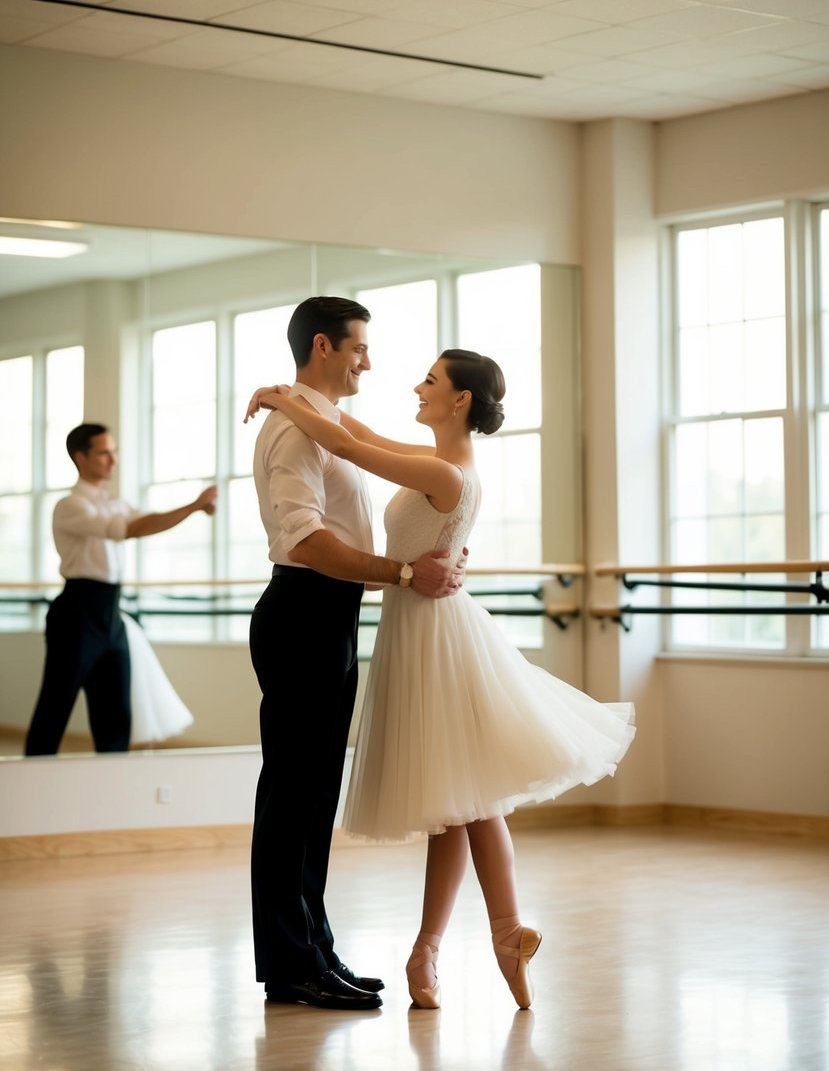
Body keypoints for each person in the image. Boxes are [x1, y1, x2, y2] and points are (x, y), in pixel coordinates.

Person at [246, 349, 636, 1012]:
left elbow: (344, 442)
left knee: (469, 797)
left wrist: (284, 401)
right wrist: (299, 400)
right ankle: (448, 946)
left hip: (434, 633)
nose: (415, 386)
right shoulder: (442, 464)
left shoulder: (440, 471)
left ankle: (487, 936)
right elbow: (358, 436)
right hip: (425, 625)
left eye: (430, 380)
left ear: (460, 400)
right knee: (457, 798)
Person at [245, 297, 465, 1014]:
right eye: (359, 348)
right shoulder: (293, 431)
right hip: (303, 611)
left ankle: (314, 950)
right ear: (322, 347)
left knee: (312, 802)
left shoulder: (322, 420)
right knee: (292, 800)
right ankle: (289, 967)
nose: (369, 360)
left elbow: (363, 444)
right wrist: (401, 574)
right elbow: (306, 541)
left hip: (329, 617)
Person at [24, 423, 217, 757]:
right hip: (76, 614)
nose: (113, 460)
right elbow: (131, 529)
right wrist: (192, 506)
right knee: (54, 710)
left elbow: (147, 520)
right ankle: (24, 792)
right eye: (104, 452)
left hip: (111, 618)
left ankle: (113, 797)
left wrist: (192, 509)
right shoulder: (70, 506)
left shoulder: (116, 503)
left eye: (114, 451)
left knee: (116, 719)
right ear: (80, 457)